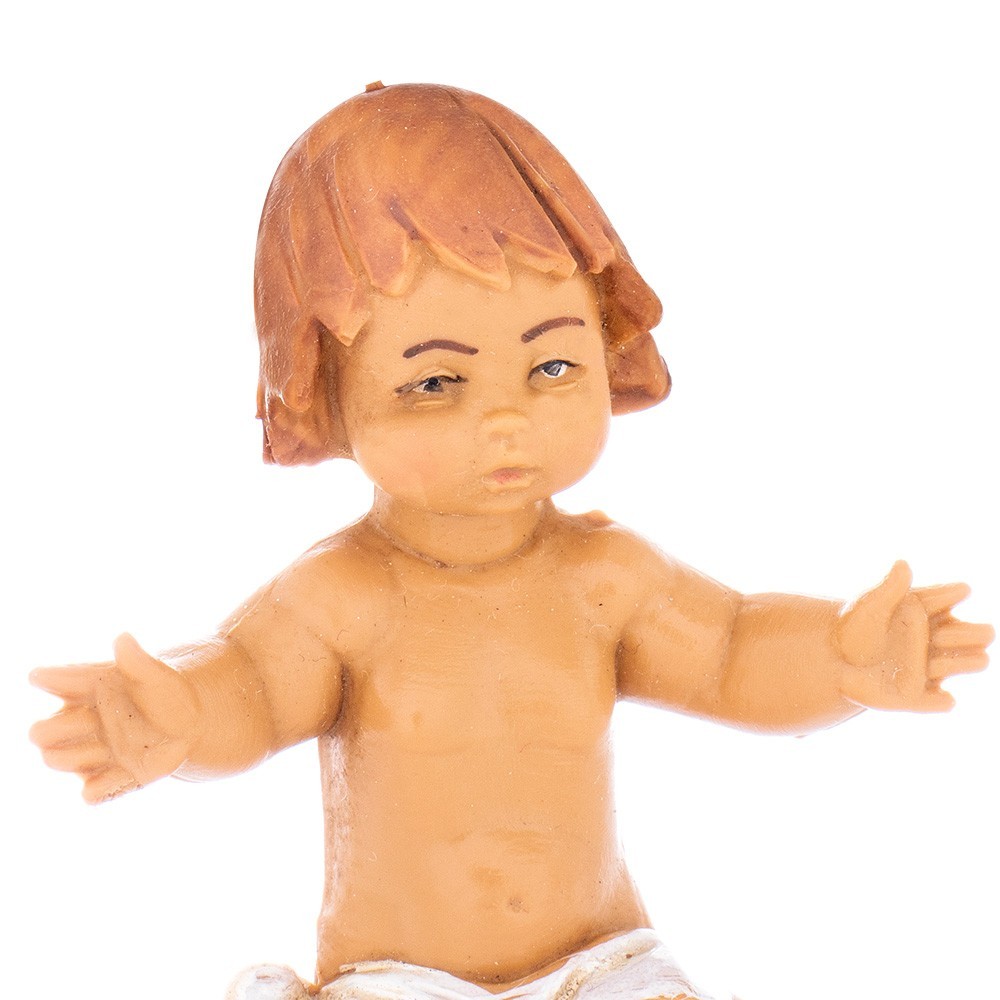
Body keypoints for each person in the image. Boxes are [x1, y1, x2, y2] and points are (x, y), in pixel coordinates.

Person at [29, 82, 992, 1000]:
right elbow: (250, 686)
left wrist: (840, 657)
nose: (507, 420)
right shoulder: (341, 599)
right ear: (326, 393)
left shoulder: (604, 578)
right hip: (400, 978)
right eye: (435, 384)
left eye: (553, 366)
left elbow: (734, 652)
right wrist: (180, 716)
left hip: (600, 965)